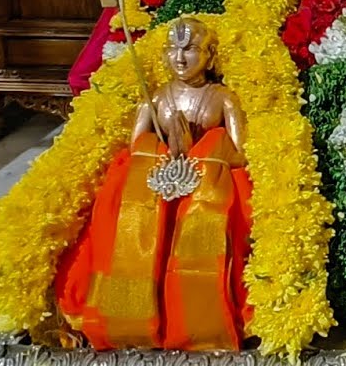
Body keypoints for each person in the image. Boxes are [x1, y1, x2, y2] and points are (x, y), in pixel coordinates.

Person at [54, 18, 253, 351]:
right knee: (121, 214)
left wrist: (200, 147)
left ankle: (200, 321)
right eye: (172, 49)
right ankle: (131, 318)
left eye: (190, 49)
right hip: (154, 192)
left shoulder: (223, 98)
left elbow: (238, 154)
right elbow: (136, 151)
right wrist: (165, 148)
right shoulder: (156, 98)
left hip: (209, 190)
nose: (180, 57)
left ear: (210, 55)